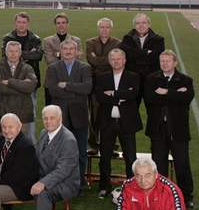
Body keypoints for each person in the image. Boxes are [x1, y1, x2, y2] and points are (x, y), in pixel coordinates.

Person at [144, 50, 195, 208]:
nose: (164, 63)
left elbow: (186, 99)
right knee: (159, 164)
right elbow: (150, 99)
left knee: (182, 164)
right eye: (162, 61)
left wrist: (166, 92)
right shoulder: (152, 78)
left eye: (167, 61)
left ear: (175, 63)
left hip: (178, 130)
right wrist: (175, 95)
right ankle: (160, 195)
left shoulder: (185, 80)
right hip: (157, 128)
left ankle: (186, 196)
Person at [31, 105, 80, 210]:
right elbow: (37, 157)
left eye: (52, 118)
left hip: (67, 182)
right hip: (48, 176)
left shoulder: (68, 139)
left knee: (43, 193)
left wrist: (43, 183)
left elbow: (63, 170)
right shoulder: (43, 133)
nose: (48, 121)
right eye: (45, 118)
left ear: (60, 119)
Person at [45, 39, 92, 189]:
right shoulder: (53, 68)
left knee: (80, 150)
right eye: (65, 49)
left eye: (72, 49)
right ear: (60, 51)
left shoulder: (84, 67)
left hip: (80, 115)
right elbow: (52, 90)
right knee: (60, 151)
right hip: (61, 116)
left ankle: (79, 181)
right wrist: (75, 90)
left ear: (76, 51)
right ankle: (60, 180)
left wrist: (66, 85)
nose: (68, 51)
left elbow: (87, 88)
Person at [94, 48, 141, 198]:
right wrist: (121, 97)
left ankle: (132, 187)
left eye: (119, 59)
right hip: (107, 122)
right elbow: (100, 96)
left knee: (130, 157)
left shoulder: (133, 76)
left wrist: (113, 93)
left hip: (127, 122)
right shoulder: (102, 77)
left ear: (124, 60)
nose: (116, 61)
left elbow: (133, 94)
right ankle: (104, 186)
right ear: (109, 61)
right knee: (105, 157)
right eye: (113, 59)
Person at [2, 12, 43, 141]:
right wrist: (28, 54)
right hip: (12, 83)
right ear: (15, 23)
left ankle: (29, 144)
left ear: (28, 24)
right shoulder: (7, 38)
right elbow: (4, 56)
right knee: (10, 114)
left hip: (29, 83)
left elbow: (38, 56)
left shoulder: (35, 39)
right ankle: (10, 142)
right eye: (19, 22)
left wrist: (16, 54)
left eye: (24, 22)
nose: (21, 25)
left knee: (29, 115)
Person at [85, 17, 121, 153]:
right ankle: (93, 144)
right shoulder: (90, 42)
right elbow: (91, 60)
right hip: (95, 83)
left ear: (110, 29)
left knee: (112, 114)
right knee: (94, 114)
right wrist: (107, 59)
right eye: (102, 27)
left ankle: (111, 145)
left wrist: (100, 59)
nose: (104, 29)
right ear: (98, 28)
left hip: (112, 83)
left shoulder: (118, 43)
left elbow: (114, 61)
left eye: (107, 27)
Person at [0, 41, 37, 142]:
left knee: (21, 148)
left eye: (16, 51)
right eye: (10, 51)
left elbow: (30, 87)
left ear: (20, 53)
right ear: (6, 52)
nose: (13, 54)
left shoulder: (28, 68)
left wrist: (10, 82)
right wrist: (21, 87)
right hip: (0, 113)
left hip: (22, 115)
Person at [120, 13, 165, 107]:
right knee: (131, 110)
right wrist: (145, 53)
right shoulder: (127, 38)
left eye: (144, 23)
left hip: (151, 81)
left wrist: (135, 54)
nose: (141, 25)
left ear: (149, 24)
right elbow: (127, 56)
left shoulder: (158, 40)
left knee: (153, 111)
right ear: (134, 25)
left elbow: (155, 59)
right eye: (138, 23)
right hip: (132, 81)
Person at [42, 13, 82, 104]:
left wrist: (58, 54)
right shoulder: (47, 41)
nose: (61, 25)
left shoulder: (76, 40)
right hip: (53, 82)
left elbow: (78, 60)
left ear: (67, 24)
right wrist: (69, 56)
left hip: (71, 81)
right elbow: (50, 61)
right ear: (55, 25)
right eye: (58, 23)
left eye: (63, 22)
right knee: (52, 112)